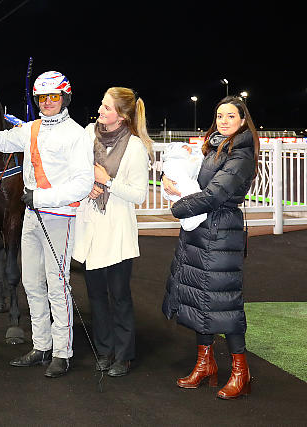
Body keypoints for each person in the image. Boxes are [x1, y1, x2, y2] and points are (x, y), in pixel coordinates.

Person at [0, 71, 94, 378]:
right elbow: (3, 141)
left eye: (54, 96)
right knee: (31, 284)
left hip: (59, 217)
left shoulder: (77, 135)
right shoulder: (32, 128)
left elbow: (83, 183)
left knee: (58, 286)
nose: (48, 102)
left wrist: (41, 197)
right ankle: (41, 346)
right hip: (31, 217)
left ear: (65, 98)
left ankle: (62, 352)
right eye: (42, 97)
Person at [162, 96, 259, 399]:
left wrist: (178, 206)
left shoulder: (241, 154)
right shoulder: (214, 147)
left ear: (243, 120)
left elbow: (215, 195)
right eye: (219, 116)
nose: (224, 121)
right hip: (200, 231)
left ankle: (241, 372)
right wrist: (169, 180)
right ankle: (205, 364)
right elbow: (193, 179)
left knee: (225, 302)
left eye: (231, 116)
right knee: (200, 299)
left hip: (221, 233)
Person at [72, 87, 153, 377]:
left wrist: (107, 181)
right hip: (91, 229)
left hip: (117, 232)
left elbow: (139, 194)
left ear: (122, 116)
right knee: (95, 295)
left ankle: (124, 354)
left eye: (107, 107)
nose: (100, 110)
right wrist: (88, 186)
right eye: (102, 105)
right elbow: (75, 172)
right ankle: (104, 350)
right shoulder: (88, 135)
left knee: (119, 296)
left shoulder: (135, 147)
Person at [161, 142, 206, 231]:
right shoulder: (175, 161)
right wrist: (164, 177)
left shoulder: (196, 158)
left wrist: (180, 193)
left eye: (186, 146)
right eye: (183, 147)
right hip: (184, 190)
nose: (186, 148)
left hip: (198, 198)